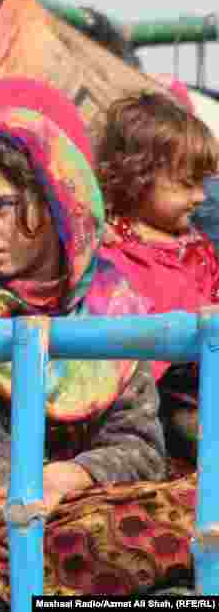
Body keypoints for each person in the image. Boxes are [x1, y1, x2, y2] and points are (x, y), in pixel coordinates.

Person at [0, 77, 193, 610]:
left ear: (59, 196)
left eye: (1, 206)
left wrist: (69, 475)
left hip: (77, 526)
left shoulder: (112, 303)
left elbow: (140, 446)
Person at [96, 92, 219, 465]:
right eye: (186, 183)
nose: (200, 197)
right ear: (137, 176)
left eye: (202, 183)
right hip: (158, 404)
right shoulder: (110, 254)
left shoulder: (197, 246)